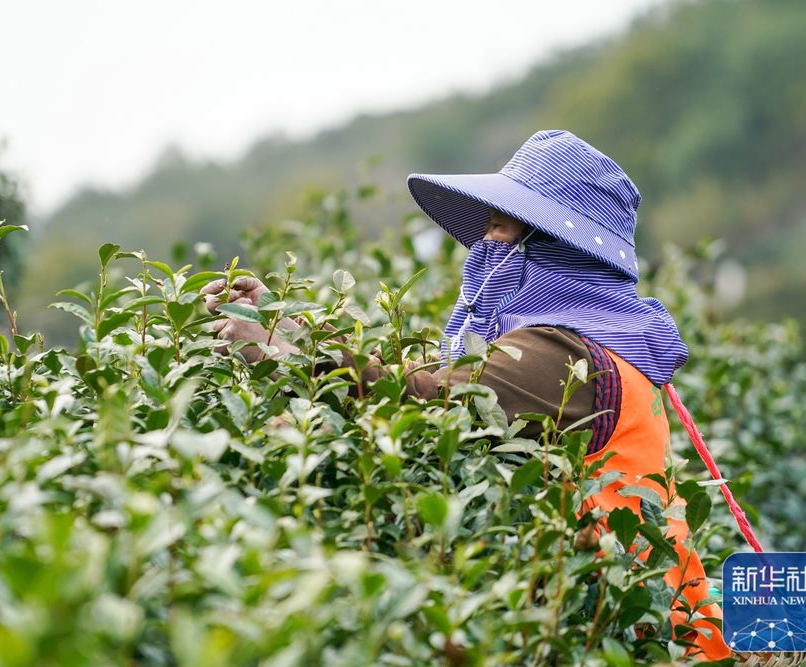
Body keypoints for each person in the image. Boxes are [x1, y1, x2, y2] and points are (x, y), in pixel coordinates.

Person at [200, 129, 732, 661]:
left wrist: (284, 350)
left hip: (646, 644)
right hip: (635, 630)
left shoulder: (560, 354)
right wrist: (284, 324)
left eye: (501, 226)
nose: (485, 244)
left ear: (551, 244)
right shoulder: (592, 341)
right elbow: (424, 375)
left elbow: (420, 399)